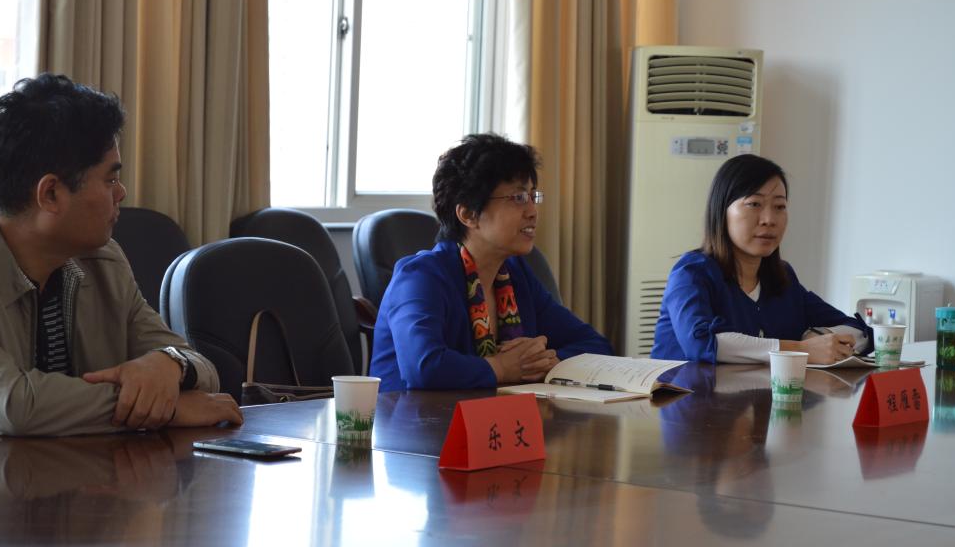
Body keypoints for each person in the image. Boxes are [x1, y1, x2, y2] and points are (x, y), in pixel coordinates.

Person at [0, 73, 243, 436]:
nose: (121, 192)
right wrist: (164, 407)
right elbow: (11, 405)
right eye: (110, 179)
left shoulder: (104, 261)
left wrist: (169, 364)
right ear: (50, 194)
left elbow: (200, 367)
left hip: (85, 470)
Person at [370, 133, 613, 391]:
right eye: (518, 198)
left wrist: (549, 361)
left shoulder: (516, 276)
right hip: (412, 416)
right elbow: (424, 368)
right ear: (468, 214)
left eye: (533, 196)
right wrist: (503, 367)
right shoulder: (420, 277)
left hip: (491, 414)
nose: (533, 211)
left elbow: (596, 345)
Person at [651, 154, 869, 365]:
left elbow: (860, 332)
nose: (769, 220)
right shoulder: (692, 273)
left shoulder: (783, 278)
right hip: (680, 391)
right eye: (754, 204)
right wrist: (800, 349)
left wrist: (819, 337)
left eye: (779, 206)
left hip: (758, 392)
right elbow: (700, 342)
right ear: (722, 211)